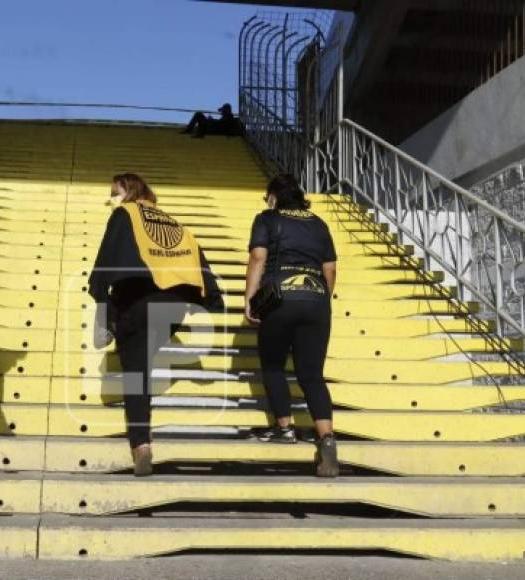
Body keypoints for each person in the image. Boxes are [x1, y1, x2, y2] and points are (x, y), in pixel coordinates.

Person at [89, 173, 224, 476]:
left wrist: (100, 296)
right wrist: (212, 297)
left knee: (135, 374)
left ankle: (141, 444)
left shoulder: (126, 214)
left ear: (128, 190)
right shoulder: (173, 222)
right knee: (144, 360)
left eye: (114, 191)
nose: (111, 198)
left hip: (139, 302)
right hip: (174, 306)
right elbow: (198, 260)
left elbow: (108, 257)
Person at [244, 174, 339, 477]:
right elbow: (330, 269)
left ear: (273, 195)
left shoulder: (267, 218)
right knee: (312, 375)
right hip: (317, 300)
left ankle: (284, 427)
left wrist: (250, 299)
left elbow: (258, 258)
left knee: (273, 366)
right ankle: (327, 438)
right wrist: (320, 300)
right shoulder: (318, 223)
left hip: (280, 299)